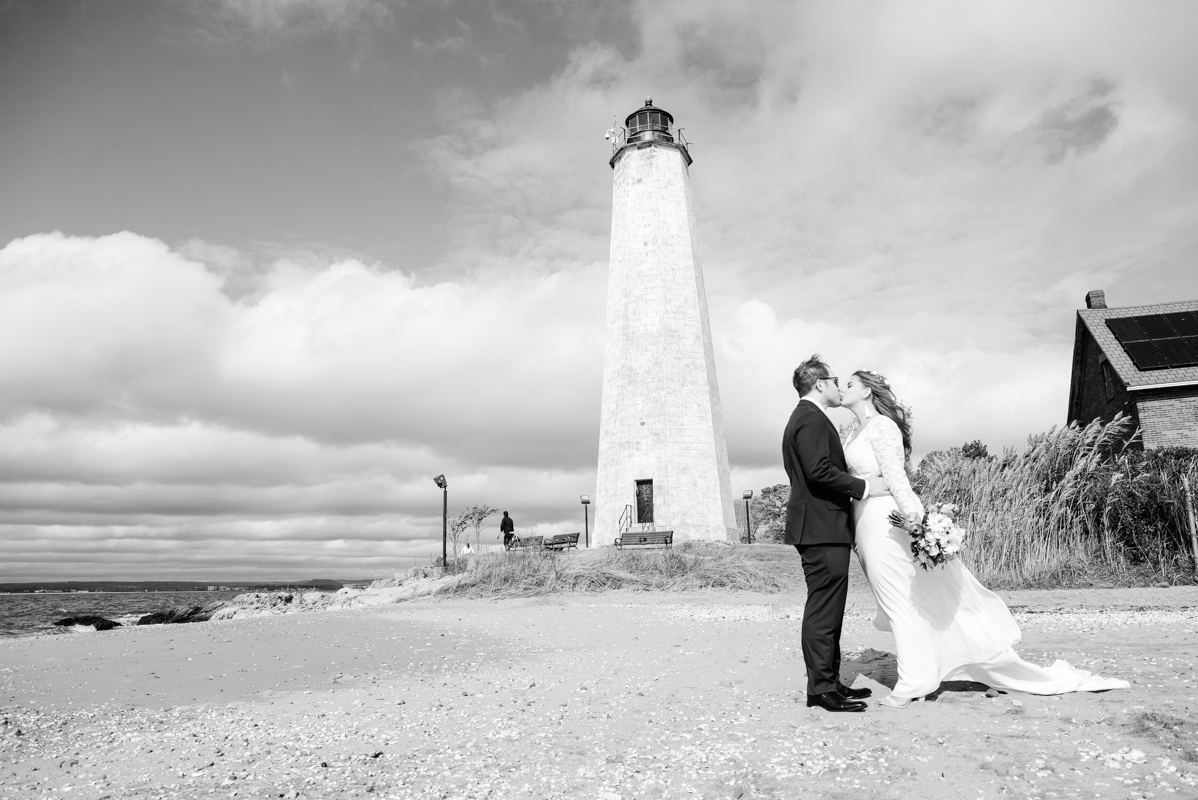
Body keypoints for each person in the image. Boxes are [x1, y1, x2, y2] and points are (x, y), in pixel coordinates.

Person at [839, 369, 1129, 707]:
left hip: (889, 520)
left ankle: (914, 681)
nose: (842, 389)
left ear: (866, 393)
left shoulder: (882, 427)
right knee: (893, 598)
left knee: (899, 598)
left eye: (849, 384)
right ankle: (925, 668)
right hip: (866, 522)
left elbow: (896, 477)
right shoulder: (852, 433)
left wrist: (915, 521)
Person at [783, 354, 886, 713]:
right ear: (820, 384)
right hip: (821, 528)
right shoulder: (810, 420)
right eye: (835, 380)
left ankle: (830, 682)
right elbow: (819, 471)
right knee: (824, 609)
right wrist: (864, 487)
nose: (840, 386)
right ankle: (821, 690)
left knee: (829, 608)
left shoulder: (806, 418)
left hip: (819, 525)